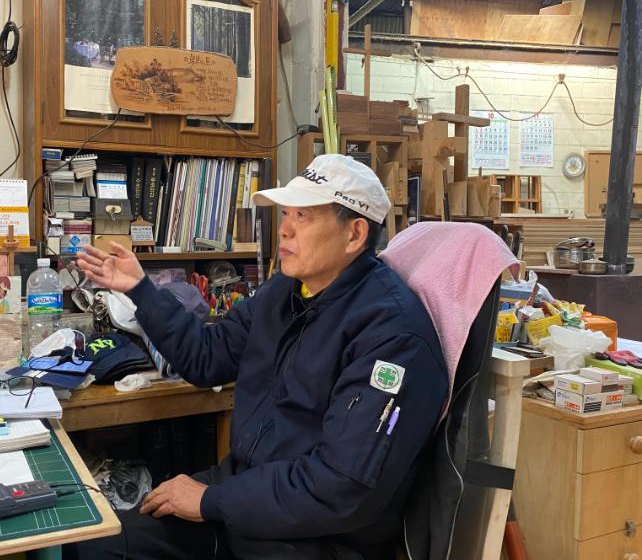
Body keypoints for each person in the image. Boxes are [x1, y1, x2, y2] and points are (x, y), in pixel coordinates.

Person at [73, 154, 448, 560]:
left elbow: (341, 486)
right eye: (285, 213)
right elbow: (206, 358)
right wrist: (141, 291)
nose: (284, 229)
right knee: (97, 547)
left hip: (316, 540)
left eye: (303, 216)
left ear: (355, 234)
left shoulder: (392, 335)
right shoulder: (285, 292)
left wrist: (211, 500)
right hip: (245, 500)